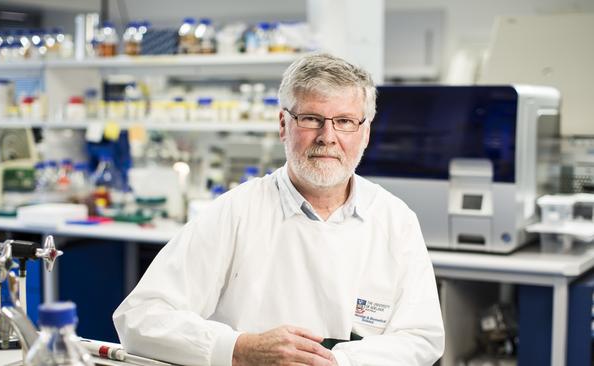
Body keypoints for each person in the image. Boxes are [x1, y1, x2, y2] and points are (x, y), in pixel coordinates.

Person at [113, 53, 444, 366]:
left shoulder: (395, 219)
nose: (327, 137)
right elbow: (140, 317)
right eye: (311, 119)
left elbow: (421, 337)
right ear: (283, 125)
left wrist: (337, 361)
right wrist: (240, 349)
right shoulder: (237, 211)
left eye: (344, 121)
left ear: (365, 132)